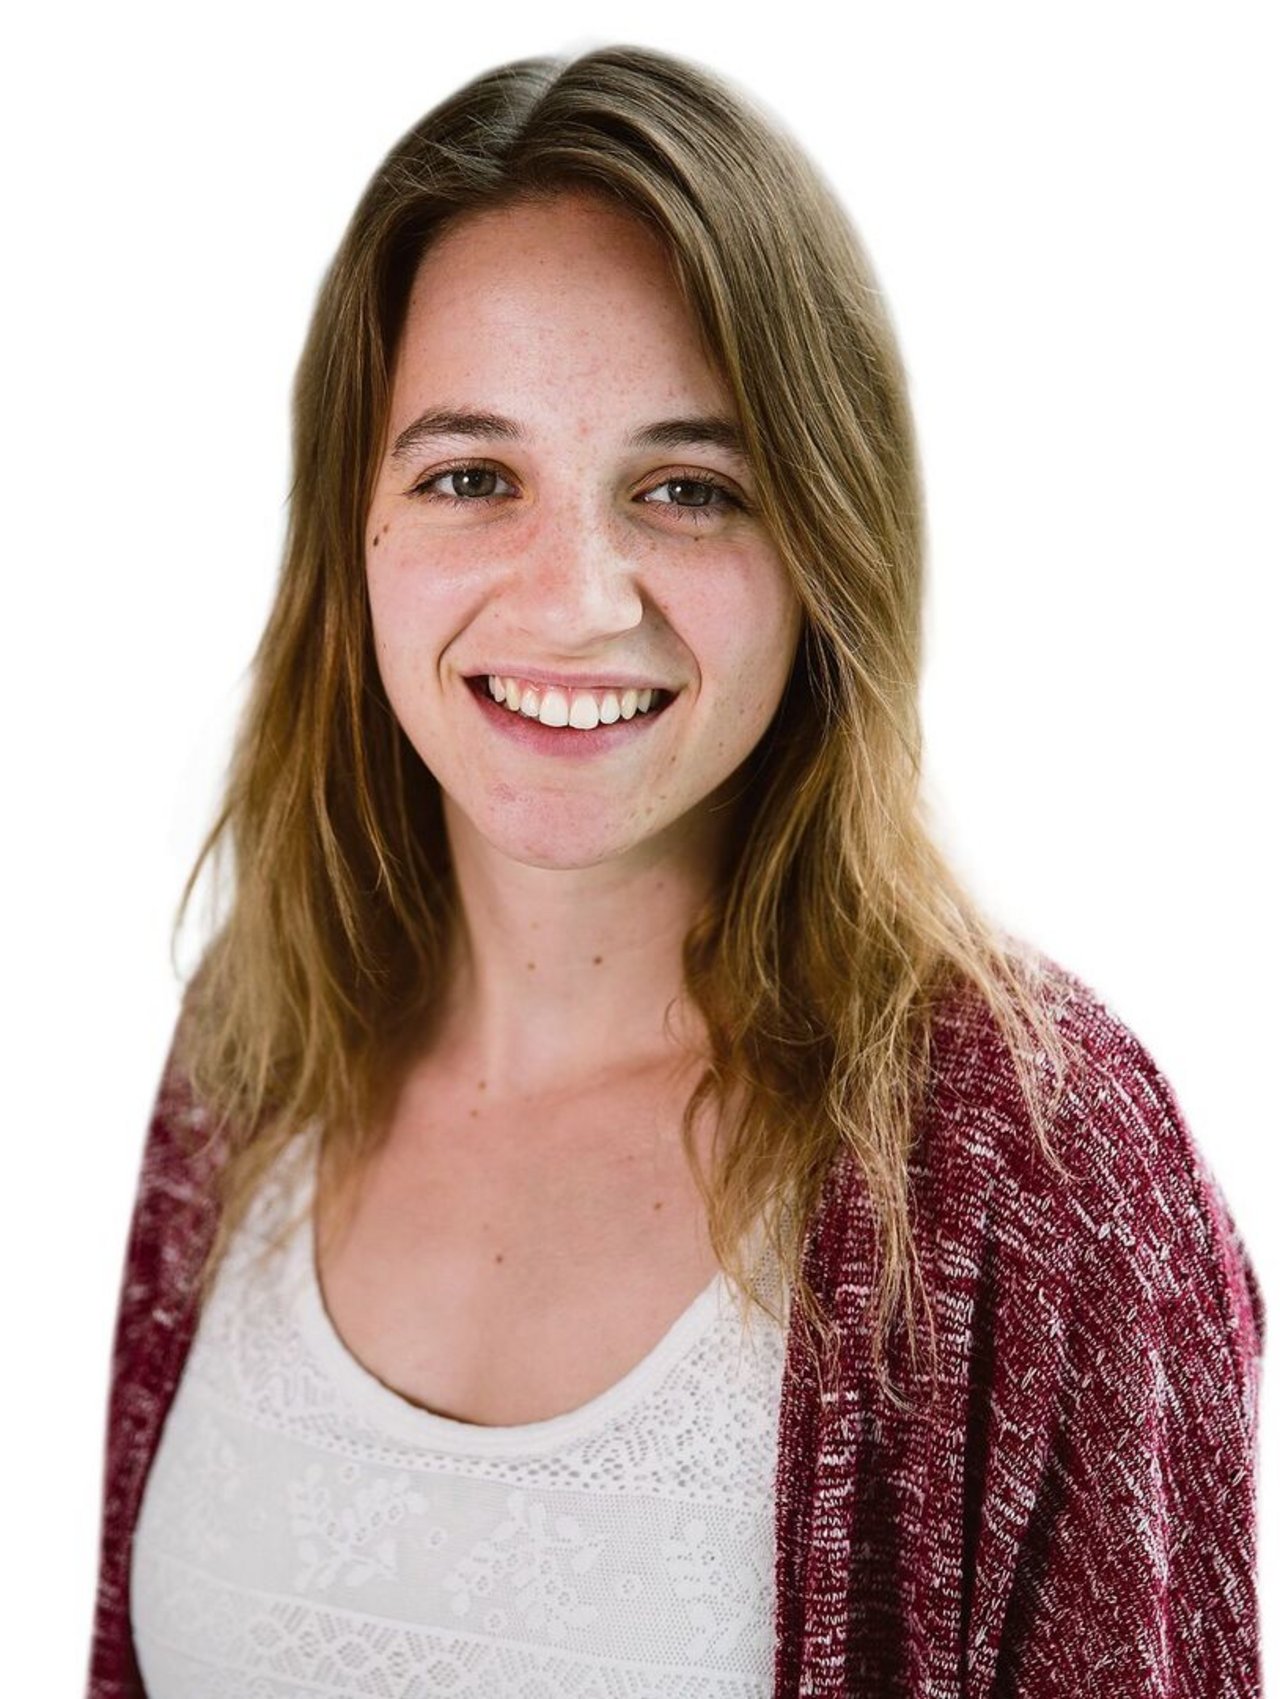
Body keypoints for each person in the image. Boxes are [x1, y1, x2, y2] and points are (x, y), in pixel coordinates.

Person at [85, 42, 1265, 1699]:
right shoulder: (256, 1049)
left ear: (826, 546)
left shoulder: (1041, 1164)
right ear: (356, 531)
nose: (577, 599)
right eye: (471, 477)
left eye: (688, 490)